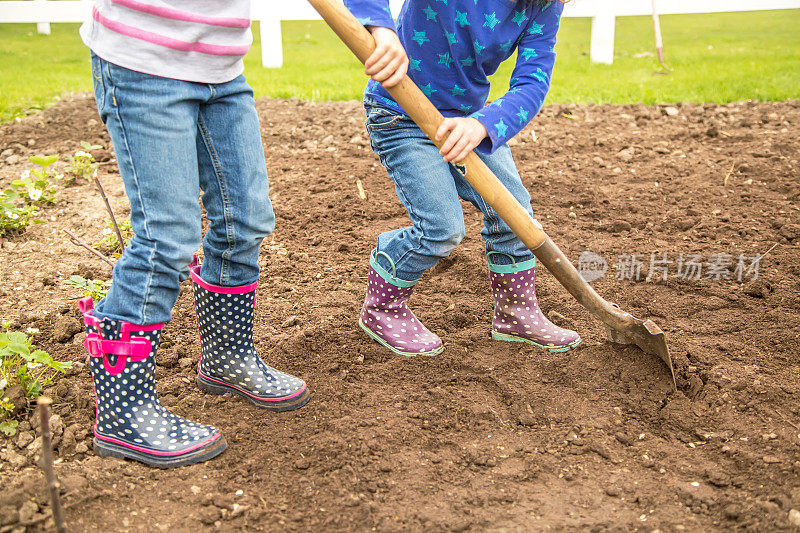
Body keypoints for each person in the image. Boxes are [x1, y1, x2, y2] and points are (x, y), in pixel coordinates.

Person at [77, 0, 311, 467]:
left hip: (222, 68)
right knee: (167, 237)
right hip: (142, 62)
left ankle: (227, 359)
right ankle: (124, 414)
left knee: (245, 219)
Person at [345, 0, 580, 356]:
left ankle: (516, 313)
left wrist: (483, 124)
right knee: (441, 229)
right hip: (401, 115)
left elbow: (532, 81)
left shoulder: (542, 6)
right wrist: (381, 29)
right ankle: (383, 308)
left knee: (515, 216)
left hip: (467, 123)